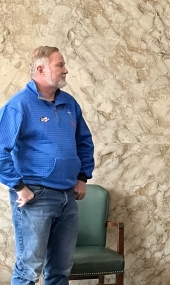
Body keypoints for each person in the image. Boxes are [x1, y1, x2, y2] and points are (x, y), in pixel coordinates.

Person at [0, 46, 95, 285]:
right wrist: (19, 186)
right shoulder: (19, 105)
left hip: (68, 196)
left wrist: (82, 177)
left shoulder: (70, 103)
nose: (66, 70)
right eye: (60, 65)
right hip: (35, 196)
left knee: (61, 270)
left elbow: (84, 141)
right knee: (29, 270)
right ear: (41, 69)